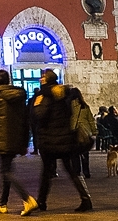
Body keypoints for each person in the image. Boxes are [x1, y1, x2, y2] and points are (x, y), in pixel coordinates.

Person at [29, 70, 92, 213]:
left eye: (42, 77)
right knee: (71, 170)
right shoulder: (63, 93)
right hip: (64, 138)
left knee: (46, 171)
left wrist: (34, 107)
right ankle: (85, 199)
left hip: (49, 139)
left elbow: (39, 115)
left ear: (45, 80)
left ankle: (42, 201)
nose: (40, 78)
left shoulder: (44, 95)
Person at [0, 71, 36, 215]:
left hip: (2, 138)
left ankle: (27, 199)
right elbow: (25, 118)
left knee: (6, 171)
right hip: (16, 137)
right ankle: (2, 203)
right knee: (6, 170)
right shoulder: (19, 96)